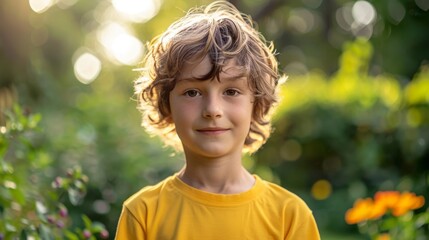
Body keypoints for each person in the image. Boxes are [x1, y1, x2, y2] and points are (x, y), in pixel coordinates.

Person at [115, 1, 320, 239]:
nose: (212, 110)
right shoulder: (143, 214)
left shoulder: (290, 217)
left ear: (257, 104)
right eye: (192, 92)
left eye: (231, 92)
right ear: (166, 104)